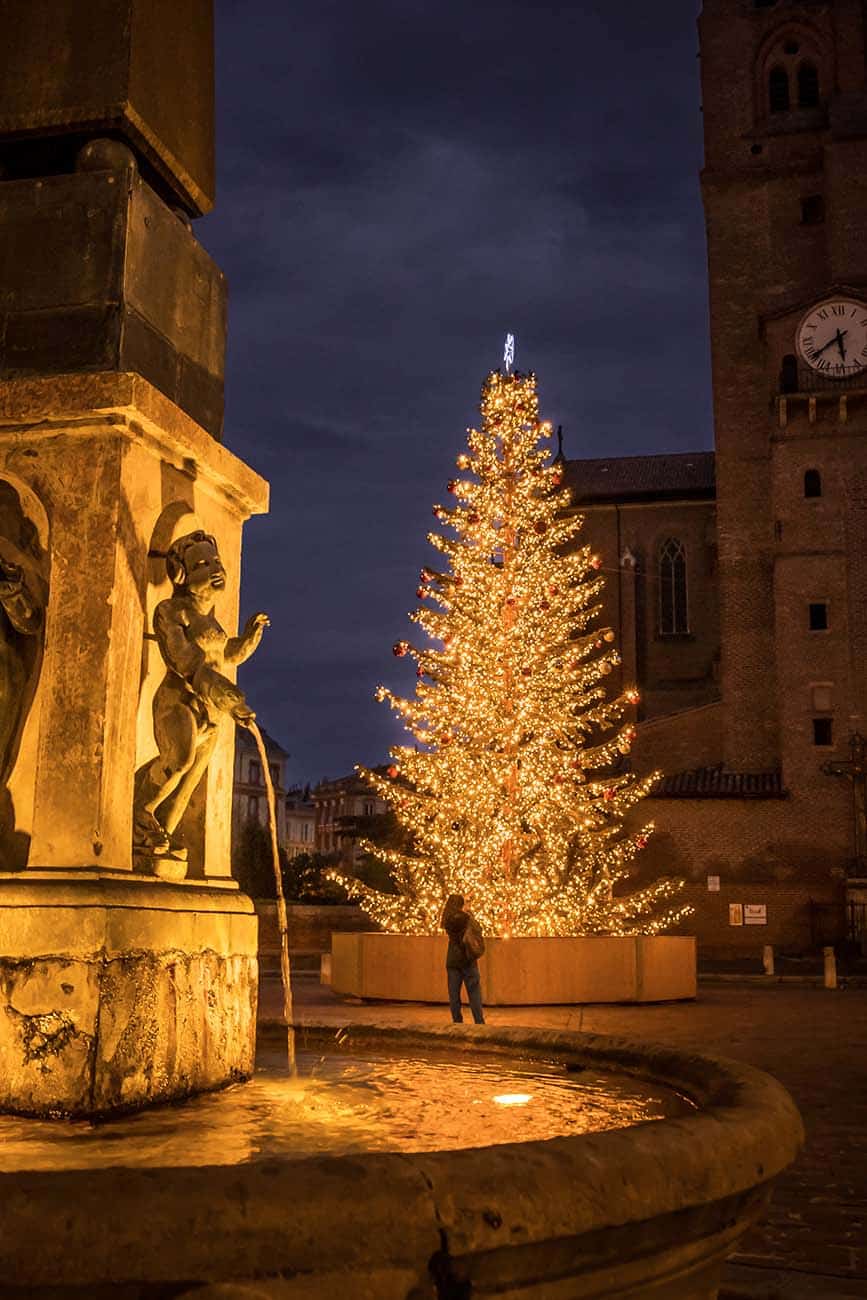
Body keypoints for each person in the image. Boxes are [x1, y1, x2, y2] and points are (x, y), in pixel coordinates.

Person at [441, 893, 485, 1024]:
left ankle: (457, 1021)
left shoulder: (447, 920)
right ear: (461, 904)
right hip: (467, 959)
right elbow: (478, 929)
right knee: (474, 992)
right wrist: (469, 913)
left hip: (452, 960)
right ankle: (479, 1021)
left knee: (454, 995)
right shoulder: (466, 917)